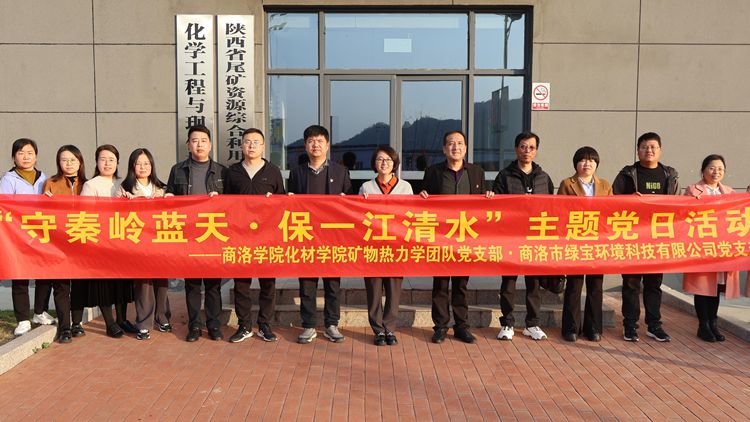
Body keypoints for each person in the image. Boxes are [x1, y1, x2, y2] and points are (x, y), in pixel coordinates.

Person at [420, 130, 492, 344]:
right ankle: (440, 327)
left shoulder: (477, 172)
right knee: (440, 284)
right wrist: (422, 195)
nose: (455, 147)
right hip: (441, 237)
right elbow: (422, 200)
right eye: (451, 143)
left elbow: (483, 202)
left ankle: (461, 327)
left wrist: (489, 196)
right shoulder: (433, 172)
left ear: (466, 148)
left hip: (465, 238)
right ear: (444, 149)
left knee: (461, 284)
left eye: (460, 143)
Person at [288, 125, 352, 344]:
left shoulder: (340, 171)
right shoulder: (297, 172)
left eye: (320, 141)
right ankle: (308, 325)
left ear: (327, 145)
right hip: (306, 236)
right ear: (305, 145)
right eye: (311, 141)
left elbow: (350, 203)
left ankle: (332, 324)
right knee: (307, 284)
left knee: (333, 284)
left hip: (332, 237)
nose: (315, 145)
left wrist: (344, 200)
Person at [612, 132, 679, 342]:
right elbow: (612, 202)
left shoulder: (669, 175)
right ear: (638, 150)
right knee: (631, 284)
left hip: (657, 239)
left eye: (652, 147)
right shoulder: (627, 174)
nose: (649, 150)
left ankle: (654, 325)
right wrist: (629, 200)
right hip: (632, 238)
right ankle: (630, 325)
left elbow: (678, 205)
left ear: (660, 150)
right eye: (644, 147)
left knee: (654, 284)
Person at [165, 124, 227, 342]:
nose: (199, 144)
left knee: (213, 285)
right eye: (194, 140)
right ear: (188, 145)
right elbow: (169, 194)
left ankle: (214, 325)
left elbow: (233, 203)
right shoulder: (177, 170)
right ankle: (194, 326)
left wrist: (221, 200)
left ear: (210, 145)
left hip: (213, 234)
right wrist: (169, 197)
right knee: (191, 285)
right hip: (188, 234)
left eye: (203, 140)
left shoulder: (222, 171)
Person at [491, 131, 554, 341]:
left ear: (536, 151)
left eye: (531, 147)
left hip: (536, 237)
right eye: (523, 146)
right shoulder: (504, 175)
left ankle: (532, 324)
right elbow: (496, 206)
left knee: (533, 283)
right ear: (516, 149)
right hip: (511, 237)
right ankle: (507, 323)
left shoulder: (544, 177)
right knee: (508, 283)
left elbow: (552, 207)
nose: (527, 151)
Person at [223, 128, 284, 343]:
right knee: (241, 284)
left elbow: (282, 203)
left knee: (268, 283)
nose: (251, 145)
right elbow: (224, 204)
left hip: (267, 237)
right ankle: (244, 325)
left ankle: (265, 325)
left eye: (256, 142)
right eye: (247, 142)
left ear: (263, 146)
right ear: (241, 145)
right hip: (240, 236)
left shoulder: (273, 171)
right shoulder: (233, 172)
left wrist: (273, 200)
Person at [79, 144, 135, 338]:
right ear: (96, 162)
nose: (107, 163)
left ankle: (122, 319)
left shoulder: (123, 183)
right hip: (101, 242)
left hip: (121, 241)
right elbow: (85, 214)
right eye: (103, 159)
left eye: (111, 159)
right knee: (104, 284)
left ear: (117, 162)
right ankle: (110, 323)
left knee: (122, 282)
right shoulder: (91, 185)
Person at [359, 145, 413, 346]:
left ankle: (390, 328)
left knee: (393, 290)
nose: (384, 163)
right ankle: (378, 330)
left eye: (388, 160)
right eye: (380, 159)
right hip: (373, 246)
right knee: (374, 290)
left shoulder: (405, 187)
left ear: (395, 163)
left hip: (396, 246)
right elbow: (358, 215)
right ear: (374, 163)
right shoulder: (366, 187)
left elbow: (411, 214)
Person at [557, 147, 612, 342]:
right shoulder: (567, 184)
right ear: (576, 164)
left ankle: (593, 328)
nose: (587, 164)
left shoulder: (605, 185)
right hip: (575, 240)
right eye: (582, 160)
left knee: (596, 285)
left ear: (596, 164)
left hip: (598, 241)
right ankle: (571, 328)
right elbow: (560, 211)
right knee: (574, 285)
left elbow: (612, 211)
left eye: (591, 160)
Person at [683, 155, 740, 342]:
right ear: (703, 170)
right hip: (702, 247)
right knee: (702, 286)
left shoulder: (730, 192)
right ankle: (703, 325)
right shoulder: (693, 190)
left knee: (715, 287)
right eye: (712, 168)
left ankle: (713, 323)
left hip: (721, 248)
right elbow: (684, 215)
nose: (716, 172)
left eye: (720, 169)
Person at [116, 148, 172, 340]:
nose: (143, 167)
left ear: (152, 165)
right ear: (132, 166)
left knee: (162, 281)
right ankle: (144, 323)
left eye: (146, 163)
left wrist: (169, 200)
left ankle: (162, 317)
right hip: (138, 244)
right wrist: (126, 203)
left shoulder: (161, 188)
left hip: (160, 242)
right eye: (139, 163)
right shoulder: (124, 188)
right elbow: (115, 214)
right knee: (143, 283)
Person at [0, 138, 52, 336]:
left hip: (40, 233)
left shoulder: (44, 178)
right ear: (14, 157)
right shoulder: (8, 179)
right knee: (20, 276)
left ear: (36, 156)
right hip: (17, 235)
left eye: (30, 153)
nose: (26, 157)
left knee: (45, 275)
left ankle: (40, 312)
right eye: (21, 153)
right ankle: (22, 319)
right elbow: (4, 208)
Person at [42, 145, 88, 343]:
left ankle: (77, 323)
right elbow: (43, 213)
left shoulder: (87, 184)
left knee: (79, 285)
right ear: (58, 162)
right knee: (61, 286)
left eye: (73, 160)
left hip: (82, 241)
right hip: (58, 242)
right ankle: (64, 327)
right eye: (64, 160)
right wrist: (45, 202)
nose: (68, 163)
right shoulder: (50, 183)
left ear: (80, 162)